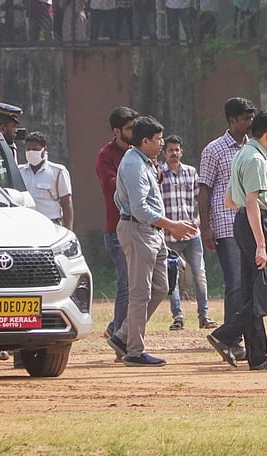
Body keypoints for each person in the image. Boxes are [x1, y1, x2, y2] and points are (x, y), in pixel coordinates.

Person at [109, 116, 199, 366]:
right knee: (139, 294)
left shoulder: (144, 161)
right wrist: (172, 226)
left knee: (160, 287)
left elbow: (123, 198)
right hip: (138, 230)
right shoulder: (134, 165)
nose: (161, 143)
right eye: (158, 139)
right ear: (144, 140)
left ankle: (124, 335)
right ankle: (134, 352)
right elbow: (139, 209)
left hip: (151, 233)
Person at [206, 111, 267, 370]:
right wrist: (261, 242)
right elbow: (251, 202)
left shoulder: (242, 154)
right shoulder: (255, 159)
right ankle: (227, 334)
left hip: (245, 221)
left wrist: (260, 213)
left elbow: (231, 200)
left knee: (255, 290)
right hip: (255, 223)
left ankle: (258, 356)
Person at [198, 97, 255, 360]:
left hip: (250, 222)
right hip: (225, 223)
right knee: (235, 284)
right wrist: (206, 228)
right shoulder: (214, 150)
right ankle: (231, 340)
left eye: (251, 117)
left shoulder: (253, 148)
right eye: (245, 118)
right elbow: (205, 190)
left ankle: (235, 336)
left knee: (250, 284)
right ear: (231, 121)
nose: (249, 122)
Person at [159, 134, 215, 330]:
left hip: (192, 234)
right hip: (169, 234)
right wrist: (170, 226)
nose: (174, 154)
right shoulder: (159, 174)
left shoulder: (191, 172)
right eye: (170, 150)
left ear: (181, 151)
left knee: (200, 274)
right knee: (171, 277)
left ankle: (204, 316)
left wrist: (198, 223)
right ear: (164, 153)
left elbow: (200, 200)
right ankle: (178, 317)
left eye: (177, 150)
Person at [97, 106, 138, 342]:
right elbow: (111, 186)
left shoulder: (139, 151)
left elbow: (157, 178)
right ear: (116, 131)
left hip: (139, 227)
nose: (134, 132)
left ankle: (116, 328)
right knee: (126, 285)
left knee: (141, 285)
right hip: (116, 229)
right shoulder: (106, 155)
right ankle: (121, 339)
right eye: (129, 128)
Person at [18, 131, 73, 229]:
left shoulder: (58, 171)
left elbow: (66, 203)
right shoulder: (19, 172)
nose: (31, 152)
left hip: (51, 224)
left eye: (35, 149)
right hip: (25, 225)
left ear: (44, 149)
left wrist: (69, 230)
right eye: (28, 149)